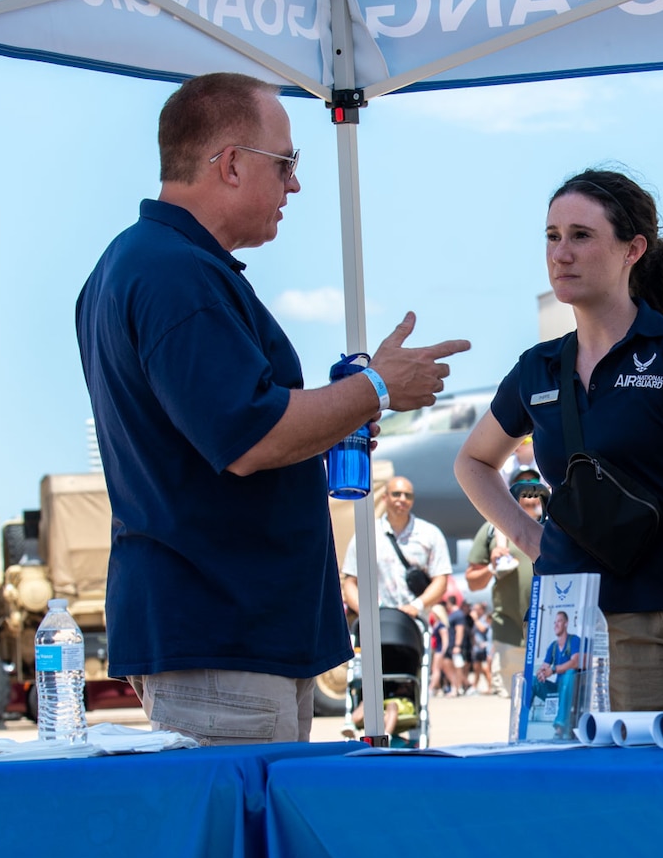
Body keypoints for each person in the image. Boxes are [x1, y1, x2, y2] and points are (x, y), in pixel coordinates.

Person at [76, 71, 468, 745]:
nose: (295, 184)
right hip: (223, 633)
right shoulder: (175, 274)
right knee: (245, 847)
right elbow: (250, 435)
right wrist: (374, 390)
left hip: (227, 632)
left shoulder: (146, 264)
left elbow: (236, 424)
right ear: (229, 163)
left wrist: (344, 406)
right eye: (286, 163)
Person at [455, 169, 663, 712]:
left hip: (655, 623)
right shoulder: (537, 368)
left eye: (581, 236)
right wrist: (531, 538)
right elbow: (473, 461)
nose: (561, 253)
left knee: (647, 790)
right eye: (552, 236)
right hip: (561, 619)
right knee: (564, 790)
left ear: (633, 249)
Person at [465, 469, 546, 695]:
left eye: (534, 484)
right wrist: (492, 567)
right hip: (510, 634)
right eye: (522, 486)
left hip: (549, 633)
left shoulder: (554, 524)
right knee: (512, 702)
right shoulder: (492, 528)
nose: (529, 492)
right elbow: (472, 582)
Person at [340, 475, 451, 622]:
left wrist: (416, 606)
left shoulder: (430, 534)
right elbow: (350, 582)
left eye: (408, 495)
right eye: (396, 494)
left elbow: (441, 580)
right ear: (385, 498)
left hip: (416, 624)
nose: (403, 499)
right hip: (377, 626)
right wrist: (370, 612)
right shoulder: (366, 534)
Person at [532, 610, 585, 739]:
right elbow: (545, 666)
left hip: (571, 691)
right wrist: (541, 673)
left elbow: (575, 662)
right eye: (554, 622)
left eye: (559, 621)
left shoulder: (574, 641)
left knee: (570, 673)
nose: (556, 624)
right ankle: (522, 722)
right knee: (533, 681)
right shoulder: (553, 646)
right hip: (557, 690)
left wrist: (554, 670)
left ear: (566, 624)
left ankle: (561, 727)